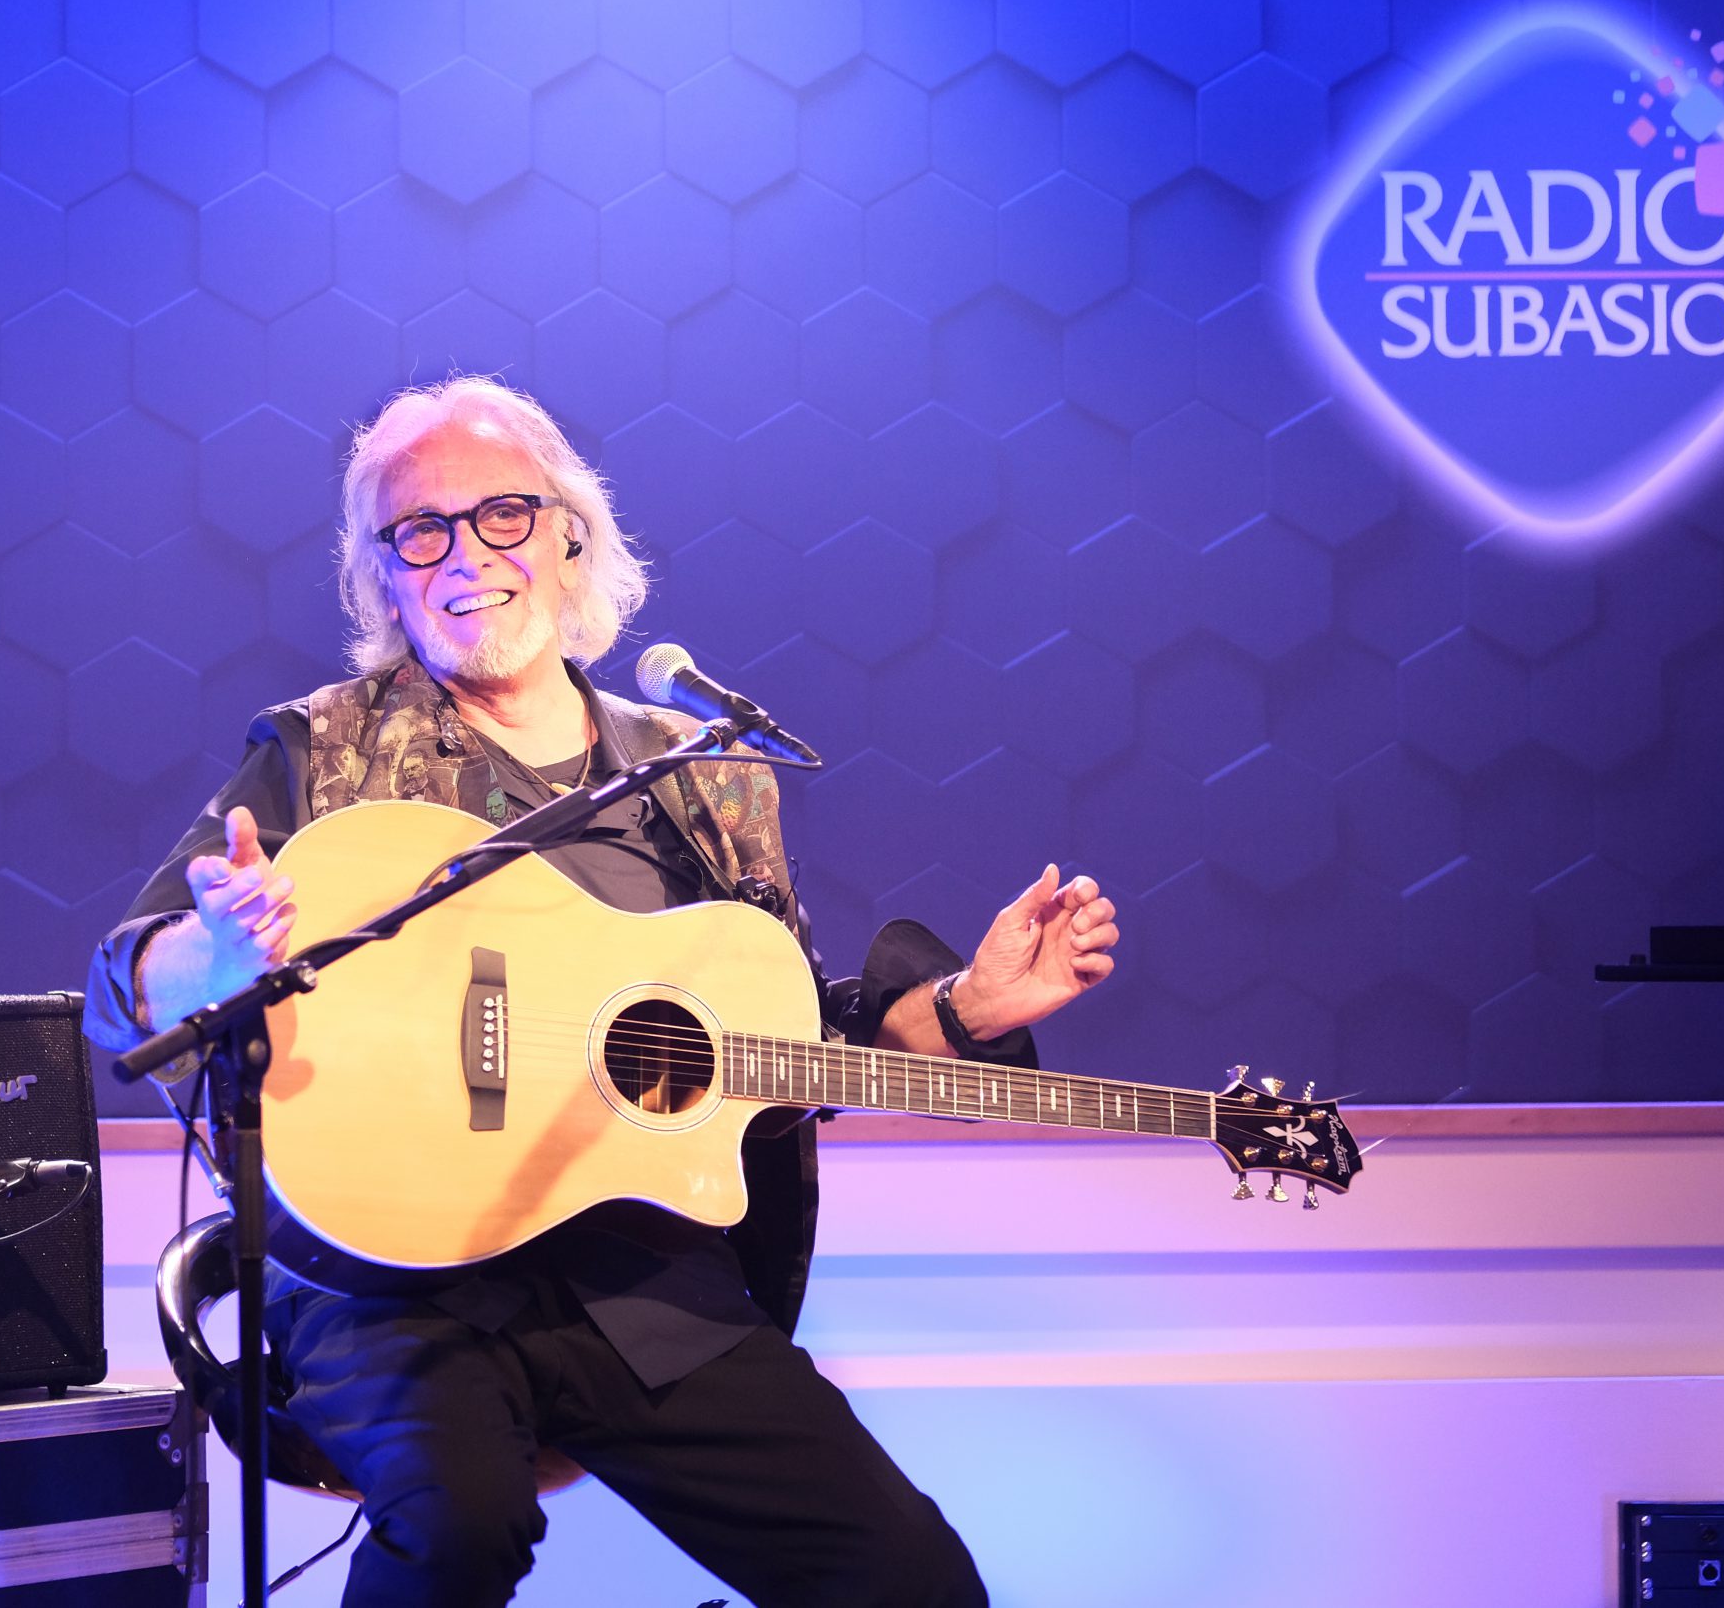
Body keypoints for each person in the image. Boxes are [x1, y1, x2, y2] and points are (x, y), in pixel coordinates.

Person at [87, 376, 1120, 1607]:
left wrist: (962, 1012)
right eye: (419, 531)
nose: (465, 556)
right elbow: (119, 984)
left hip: (640, 1288)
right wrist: (216, 957)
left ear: (569, 537)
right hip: (390, 1284)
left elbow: (776, 1042)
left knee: (910, 1581)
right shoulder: (322, 749)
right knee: (461, 1524)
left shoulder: (703, 782)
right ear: (382, 576)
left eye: (502, 515)